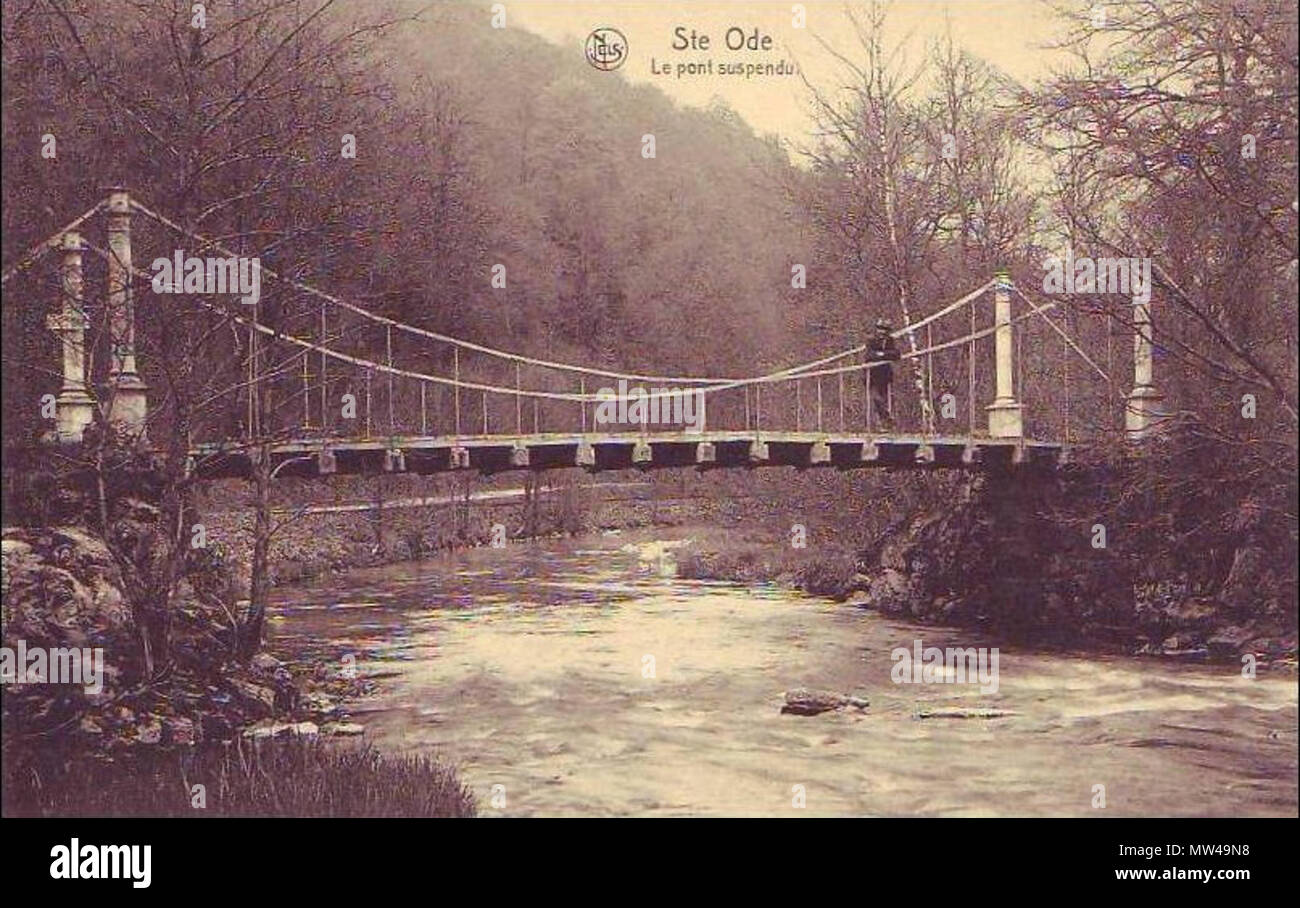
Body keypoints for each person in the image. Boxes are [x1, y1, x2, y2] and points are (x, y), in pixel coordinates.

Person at [866, 318, 901, 430]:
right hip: (872, 374)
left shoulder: (890, 340)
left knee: (883, 399)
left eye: (885, 329)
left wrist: (881, 354)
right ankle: (886, 419)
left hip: (884, 375)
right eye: (880, 329)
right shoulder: (871, 340)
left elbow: (896, 354)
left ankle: (883, 425)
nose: (882, 332)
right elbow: (869, 356)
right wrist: (885, 355)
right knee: (877, 399)